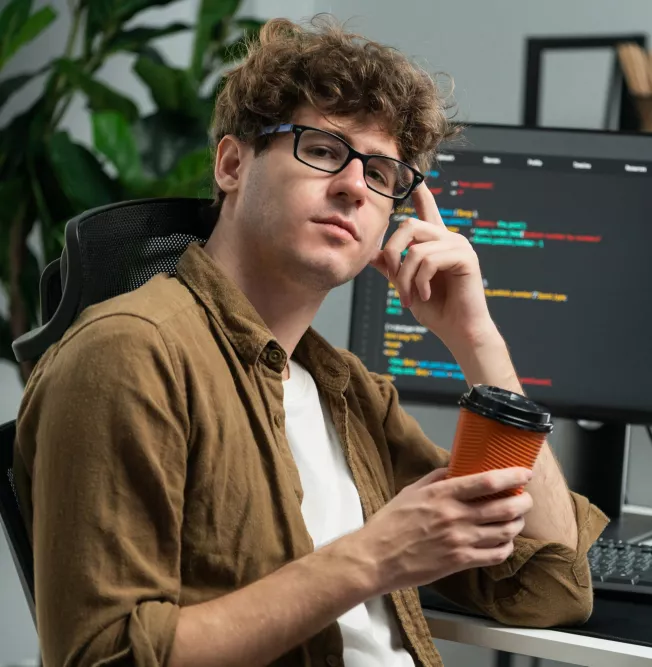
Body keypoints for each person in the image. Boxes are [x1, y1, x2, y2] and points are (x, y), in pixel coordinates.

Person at [12, 14, 609, 667]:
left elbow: (547, 583)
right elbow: (106, 657)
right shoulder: (130, 356)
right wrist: (374, 557)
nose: (355, 184)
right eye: (323, 149)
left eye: (383, 173)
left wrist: (477, 338)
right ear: (233, 163)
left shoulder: (344, 390)